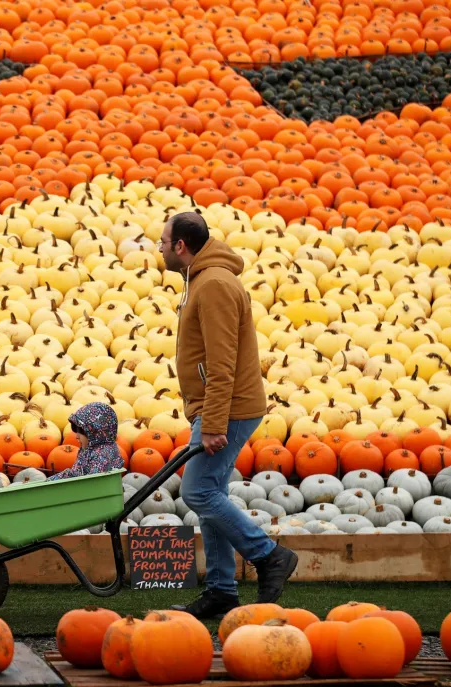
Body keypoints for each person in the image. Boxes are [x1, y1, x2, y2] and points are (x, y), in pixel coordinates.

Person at [159, 211, 299, 619]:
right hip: (219, 405)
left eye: (163, 242)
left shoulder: (215, 285)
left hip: (229, 407)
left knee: (198, 492)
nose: (161, 249)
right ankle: (221, 589)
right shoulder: (203, 279)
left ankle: (268, 555)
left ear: (181, 246)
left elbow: (222, 363)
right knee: (210, 495)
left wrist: (214, 424)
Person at [47, 402, 123, 481]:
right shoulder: (88, 449)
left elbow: (93, 484)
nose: (76, 436)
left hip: (99, 492)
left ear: (95, 432)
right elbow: (76, 473)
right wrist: (51, 481)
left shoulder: (104, 455)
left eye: (81, 433)